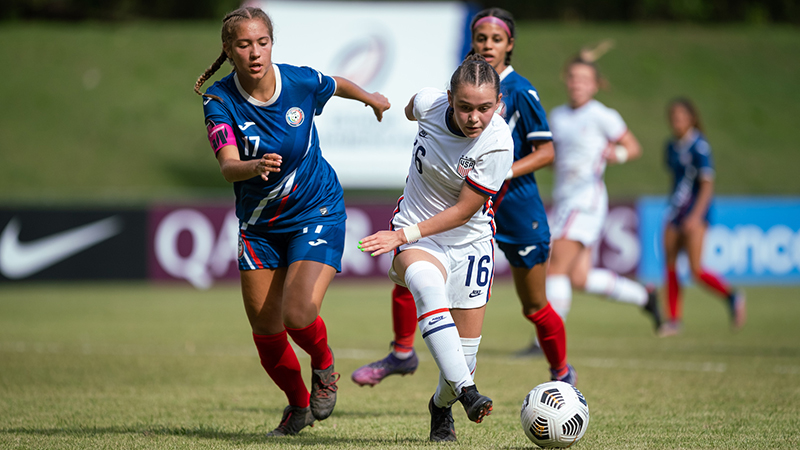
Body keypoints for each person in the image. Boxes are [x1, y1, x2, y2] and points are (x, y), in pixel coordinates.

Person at [352, 7, 574, 389]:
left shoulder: (521, 91)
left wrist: (502, 172)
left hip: (515, 203)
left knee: (534, 304)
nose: (488, 45)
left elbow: (547, 152)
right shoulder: (459, 87)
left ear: (510, 46)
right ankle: (403, 352)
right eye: (481, 37)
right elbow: (421, 112)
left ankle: (562, 375)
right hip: (462, 204)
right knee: (413, 271)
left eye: (496, 38)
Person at [194, 6, 390, 437]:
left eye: (262, 42)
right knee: (266, 331)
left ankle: (324, 365)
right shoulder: (219, 101)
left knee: (299, 312)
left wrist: (372, 99)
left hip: (316, 209)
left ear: (271, 44)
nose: (255, 52)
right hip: (260, 226)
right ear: (229, 50)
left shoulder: (297, 80)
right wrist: (254, 165)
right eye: (244, 44)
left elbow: (335, 83)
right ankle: (298, 405)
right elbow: (228, 166)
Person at [358, 54, 511, 441]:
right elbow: (413, 108)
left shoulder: (498, 143)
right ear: (448, 98)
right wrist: (405, 236)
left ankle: (441, 405)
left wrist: (399, 237)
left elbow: (462, 212)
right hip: (417, 233)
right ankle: (469, 394)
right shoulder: (430, 103)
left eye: (484, 108)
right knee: (426, 288)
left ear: (498, 103)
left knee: (464, 356)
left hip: (470, 242)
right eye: (464, 107)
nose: (474, 117)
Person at [543, 55, 662, 333]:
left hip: (585, 200)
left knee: (554, 268)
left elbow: (633, 147)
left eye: (584, 79)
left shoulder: (601, 115)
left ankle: (546, 342)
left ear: (595, 85)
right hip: (565, 198)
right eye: (573, 78)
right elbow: (554, 159)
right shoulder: (558, 117)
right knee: (580, 278)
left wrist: (616, 153)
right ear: (566, 80)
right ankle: (645, 297)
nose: (577, 84)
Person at [658, 98, 745, 337]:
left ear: (691, 118)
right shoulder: (671, 146)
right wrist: (674, 211)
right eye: (673, 117)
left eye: (681, 117)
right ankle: (674, 320)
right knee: (670, 266)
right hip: (675, 211)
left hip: (695, 214)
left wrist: (696, 216)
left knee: (696, 270)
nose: (676, 122)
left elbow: (707, 186)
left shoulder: (699, 146)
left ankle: (732, 295)